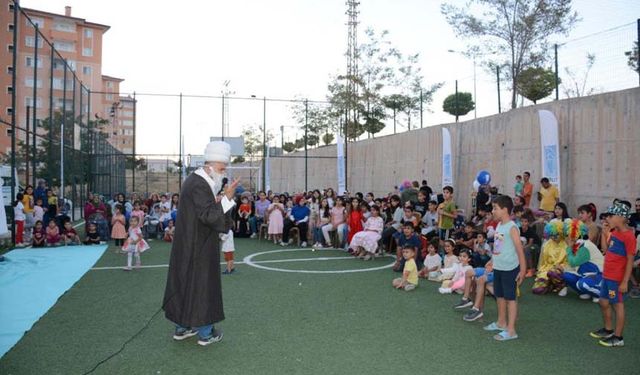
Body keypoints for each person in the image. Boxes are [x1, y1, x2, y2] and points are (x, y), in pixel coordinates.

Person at [163, 140, 239, 346]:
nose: (224, 173)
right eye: (222, 169)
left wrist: (222, 199)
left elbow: (203, 211)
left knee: (185, 284)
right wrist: (227, 199)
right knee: (203, 286)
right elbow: (208, 216)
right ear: (210, 167)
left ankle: (182, 327)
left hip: (190, 244)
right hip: (199, 246)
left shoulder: (197, 182)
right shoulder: (199, 184)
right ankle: (206, 333)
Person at [590, 201, 637, 347]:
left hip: (616, 279)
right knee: (603, 302)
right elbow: (606, 250)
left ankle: (618, 337)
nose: (607, 219)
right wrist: (605, 234)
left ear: (622, 218)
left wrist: (624, 282)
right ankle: (608, 329)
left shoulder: (629, 236)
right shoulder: (614, 233)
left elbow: (630, 261)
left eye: (611, 216)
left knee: (617, 305)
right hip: (607, 275)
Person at [484, 195, 526, 341]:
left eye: (495, 208)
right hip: (499, 267)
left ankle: (511, 330)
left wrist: (523, 270)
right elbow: (498, 247)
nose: (493, 211)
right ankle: (501, 322)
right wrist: (492, 261)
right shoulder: (500, 226)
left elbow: (520, 250)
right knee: (499, 296)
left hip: (510, 269)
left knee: (510, 298)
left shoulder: (512, 227)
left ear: (505, 210)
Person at [532, 219, 568, 295]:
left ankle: (562, 286)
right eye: (552, 235)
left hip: (559, 271)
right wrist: (541, 273)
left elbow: (567, 263)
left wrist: (560, 268)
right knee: (537, 290)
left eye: (556, 235)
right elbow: (543, 262)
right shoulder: (547, 244)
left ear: (561, 233)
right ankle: (550, 285)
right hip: (547, 270)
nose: (554, 237)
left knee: (553, 273)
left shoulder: (566, 245)